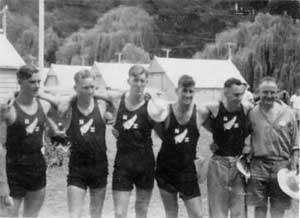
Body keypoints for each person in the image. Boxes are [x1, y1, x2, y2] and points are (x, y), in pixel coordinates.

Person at [39, 69, 112, 218]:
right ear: (76, 88)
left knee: (96, 214)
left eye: (93, 87)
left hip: (99, 166)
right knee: (74, 214)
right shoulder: (68, 107)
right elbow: (45, 101)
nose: (90, 91)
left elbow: (118, 98)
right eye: (85, 87)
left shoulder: (102, 106)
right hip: (77, 167)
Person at [98, 65, 168, 218]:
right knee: (119, 213)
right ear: (128, 81)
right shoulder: (118, 99)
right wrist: (103, 110)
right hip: (123, 162)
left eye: (143, 81)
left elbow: (163, 135)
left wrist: (160, 109)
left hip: (145, 163)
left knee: (141, 210)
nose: (139, 84)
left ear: (146, 83)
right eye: (135, 80)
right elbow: (95, 93)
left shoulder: (152, 105)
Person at [0, 65, 54, 217]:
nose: (36, 86)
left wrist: (42, 94)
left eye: (39, 82)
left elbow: (59, 102)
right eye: (31, 82)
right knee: (9, 215)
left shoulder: (44, 105)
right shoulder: (8, 109)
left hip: (37, 167)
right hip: (13, 170)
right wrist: (2, 184)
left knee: (32, 215)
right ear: (20, 82)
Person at [247, 77, 299, 218]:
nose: (269, 96)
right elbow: (243, 138)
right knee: (259, 208)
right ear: (259, 92)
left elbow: (295, 141)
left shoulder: (288, 113)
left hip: (282, 166)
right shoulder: (252, 113)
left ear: (277, 93)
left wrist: (295, 160)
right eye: (265, 92)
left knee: (278, 210)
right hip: (258, 166)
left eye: (272, 92)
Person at [202, 78, 253, 218]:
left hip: (239, 163)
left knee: (239, 210)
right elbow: (204, 123)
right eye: (235, 95)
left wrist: (248, 146)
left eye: (241, 94)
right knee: (218, 209)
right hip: (219, 162)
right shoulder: (214, 109)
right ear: (226, 92)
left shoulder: (246, 108)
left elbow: (252, 130)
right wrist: (216, 137)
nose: (239, 98)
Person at [155, 75, 203, 218]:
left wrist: (217, 143)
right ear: (177, 90)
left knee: (197, 215)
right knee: (171, 213)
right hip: (166, 169)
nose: (188, 95)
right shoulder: (166, 111)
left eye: (191, 91)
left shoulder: (201, 112)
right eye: (185, 91)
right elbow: (157, 130)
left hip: (187, 170)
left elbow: (217, 128)